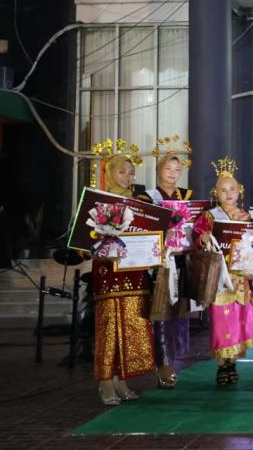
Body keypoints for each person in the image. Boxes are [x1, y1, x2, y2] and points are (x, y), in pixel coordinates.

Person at [92, 150, 155, 405]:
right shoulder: (98, 202)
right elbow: (86, 240)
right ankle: (105, 381)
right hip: (109, 273)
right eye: (122, 172)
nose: (127, 177)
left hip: (135, 272)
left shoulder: (139, 203)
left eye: (131, 173)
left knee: (131, 326)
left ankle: (122, 379)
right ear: (110, 173)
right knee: (109, 328)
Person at [193, 158, 253, 386]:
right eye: (223, 190)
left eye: (232, 189)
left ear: (239, 191)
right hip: (219, 277)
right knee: (222, 321)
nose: (228, 193)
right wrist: (202, 238)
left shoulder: (246, 217)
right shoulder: (209, 217)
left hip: (240, 277)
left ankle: (233, 363)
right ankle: (223, 365)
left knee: (238, 320)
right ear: (216, 193)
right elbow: (197, 239)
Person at [135, 140, 193, 389]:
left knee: (177, 313)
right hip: (158, 263)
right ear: (158, 170)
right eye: (168, 168)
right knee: (160, 313)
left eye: (177, 169)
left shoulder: (186, 197)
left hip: (180, 261)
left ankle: (174, 357)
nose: (172, 173)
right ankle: (162, 363)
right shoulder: (147, 197)